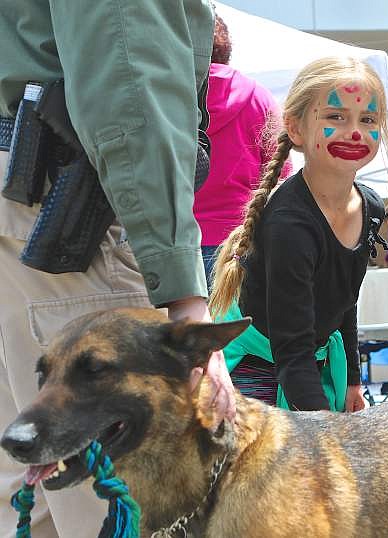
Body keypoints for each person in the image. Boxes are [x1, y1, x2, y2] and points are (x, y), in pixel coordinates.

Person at [0, 2, 235, 537]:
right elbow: (129, 95)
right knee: (126, 510)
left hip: (34, 218)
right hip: (76, 219)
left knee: (33, 503)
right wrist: (187, 309)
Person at [209, 56, 388, 412]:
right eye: (335, 117)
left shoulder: (370, 206)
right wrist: (325, 435)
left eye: (367, 119)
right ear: (295, 128)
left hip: (308, 361)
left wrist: (353, 379)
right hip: (258, 370)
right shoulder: (289, 225)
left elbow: (344, 302)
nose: (354, 131)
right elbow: (291, 349)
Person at [193, 14, 292, 286]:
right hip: (240, 241)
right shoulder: (258, 97)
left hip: (180, 244)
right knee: (235, 327)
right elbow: (282, 175)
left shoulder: (165, 97)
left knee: (185, 327)